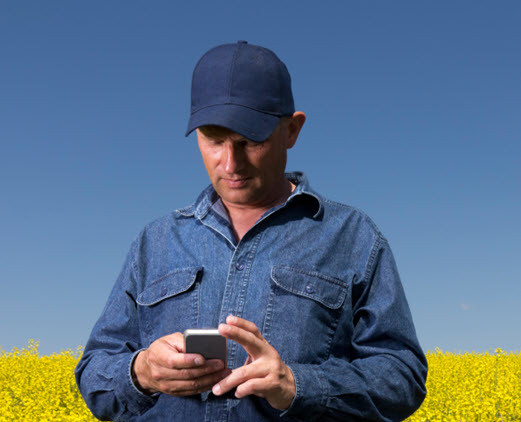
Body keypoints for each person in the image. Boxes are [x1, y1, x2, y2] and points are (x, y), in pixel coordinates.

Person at [74, 41, 428, 421]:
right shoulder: (154, 243)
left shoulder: (353, 238)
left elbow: (403, 378)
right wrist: (141, 372)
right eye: (213, 139)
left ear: (292, 130)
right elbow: (94, 372)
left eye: (250, 141)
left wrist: (297, 385)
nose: (230, 163)